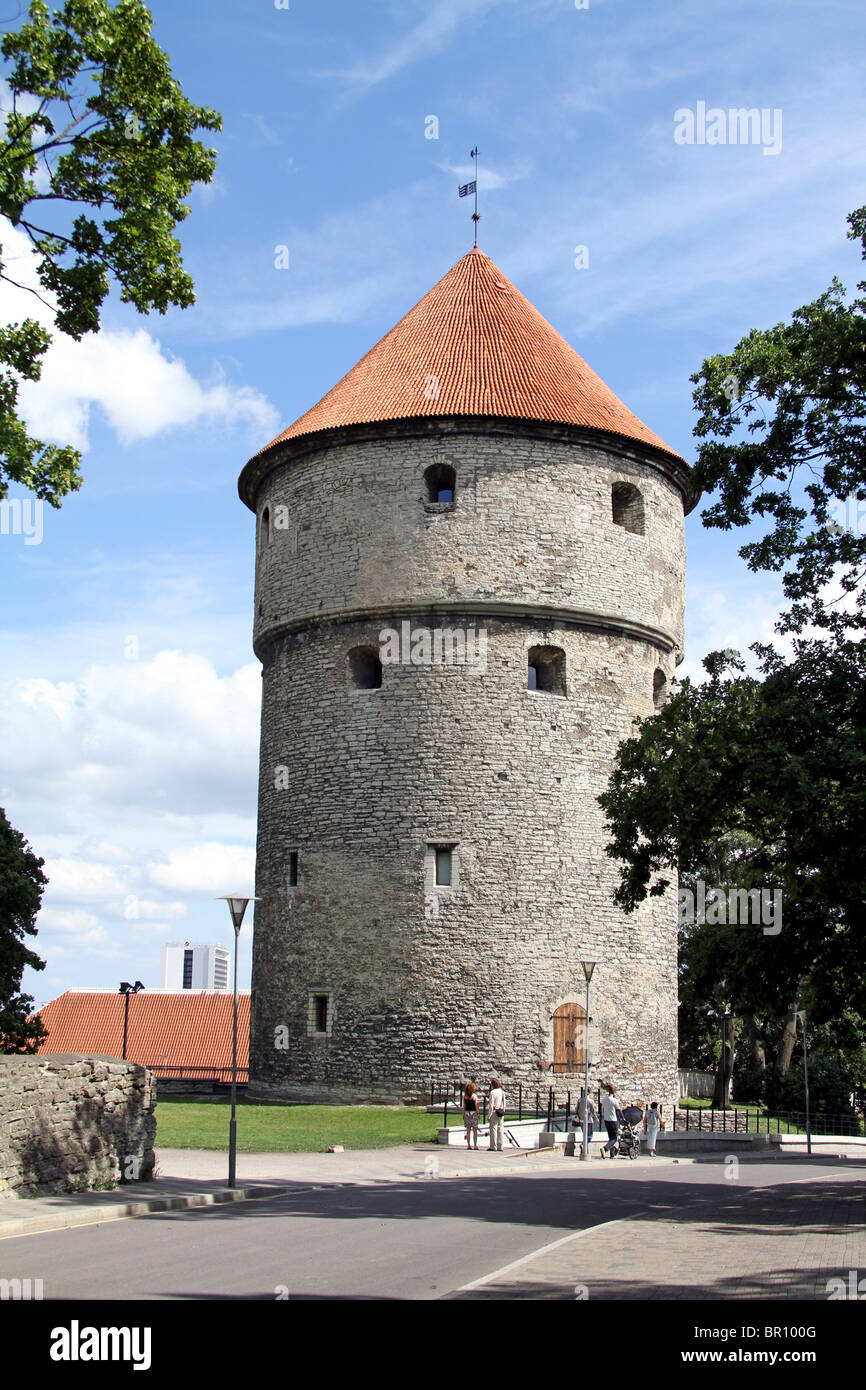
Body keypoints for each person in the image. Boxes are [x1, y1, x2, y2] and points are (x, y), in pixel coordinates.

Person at [599, 1083, 620, 1157]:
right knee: (614, 1138)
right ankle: (605, 1149)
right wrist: (623, 1118)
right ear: (614, 1092)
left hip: (606, 1120)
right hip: (613, 1120)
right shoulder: (614, 1100)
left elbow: (602, 1110)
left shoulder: (604, 1099)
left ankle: (612, 1154)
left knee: (611, 1137)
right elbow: (618, 1111)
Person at [575, 1090, 598, 1155]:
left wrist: (579, 1117)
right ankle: (583, 1145)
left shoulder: (580, 1100)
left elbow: (576, 1109)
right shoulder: (591, 1101)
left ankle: (585, 1151)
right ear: (589, 1093)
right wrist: (596, 1118)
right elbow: (593, 1111)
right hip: (589, 1120)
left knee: (585, 1135)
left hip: (581, 1120)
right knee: (589, 1136)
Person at [488, 1077, 506, 1151]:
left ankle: (493, 1146)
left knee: (493, 1129)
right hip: (501, 1111)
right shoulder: (502, 1092)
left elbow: (491, 1105)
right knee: (500, 1129)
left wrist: (489, 1115)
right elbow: (504, 1102)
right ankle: (500, 1146)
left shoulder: (492, 1092)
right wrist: (503, 1110)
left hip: (495, 1112)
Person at [462, 1080, 479, 1150]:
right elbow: (476, 1105)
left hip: (467, 1113)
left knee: (468, 1129)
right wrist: (478, 1113)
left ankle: (468, 1145)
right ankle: (475, 1145)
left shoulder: (465, 1096)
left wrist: (463, 1114)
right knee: (475, 1130)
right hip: (473, 1113)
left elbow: (464, 1106)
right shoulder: (474, 1096)